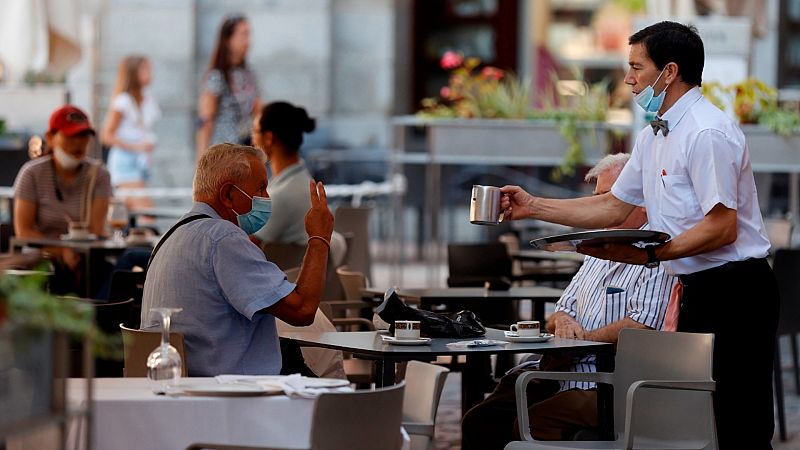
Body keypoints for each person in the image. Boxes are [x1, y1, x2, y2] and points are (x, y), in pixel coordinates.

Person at [500, 22, 777, 449]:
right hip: (694, 287)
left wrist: (652, 256)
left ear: (668, 72)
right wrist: (531, 206)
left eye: (635, 67)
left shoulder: (707, 132)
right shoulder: (653, 135)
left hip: (737, 289)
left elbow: (723, 226)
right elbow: (613, 206)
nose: (628, 78)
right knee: (692, 417)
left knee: (736, 418)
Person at [461, 154, 676, 449]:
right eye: (596, 199)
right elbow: (562, 309)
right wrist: (563, 322)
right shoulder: (597, 247)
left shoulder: (657, 253)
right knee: (481, 420)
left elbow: (643, 325)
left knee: (527, 423)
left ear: (640, 200)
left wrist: (580, 341)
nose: (596, 209)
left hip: (609, 381)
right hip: (560, 372)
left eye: (606, 200)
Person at [141, 143, 333, 376]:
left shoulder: (170, 237)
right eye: (261, 189)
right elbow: (302, 310)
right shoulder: (224, 239)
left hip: (184, 390)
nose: (266, 198)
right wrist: (319, 238)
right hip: (232, 395)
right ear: (229, 195)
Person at [13, 105, 112, 293]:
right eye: (71, 136)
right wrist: (60, 251)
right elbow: (23, 231)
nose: (78, 143)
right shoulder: (32, 173)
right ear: (51, 137)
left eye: (83, 136)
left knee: (118, 269)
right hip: (41, 258)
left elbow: (96, 229)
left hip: (85, 260)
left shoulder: (99, 175)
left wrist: (73, 252)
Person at [250, 101, 317, 247]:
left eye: (255, 131)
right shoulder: (305, 182)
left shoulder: (280, 196)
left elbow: (240, 249)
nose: (252, 139)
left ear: (269, 138)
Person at [101, 55, 161, 212]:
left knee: (133, 214)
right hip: (125, 163)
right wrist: (136, 146)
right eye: (145, 69)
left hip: (141, 163)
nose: (150, 72)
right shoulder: (123, 101)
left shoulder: (147, 97)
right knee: (145, 213)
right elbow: (106, 135)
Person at [196, 14, 261, 156]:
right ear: (228, 39)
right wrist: (200, 161)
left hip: (245, 150)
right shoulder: (217, 75)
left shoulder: (249, 74)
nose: (248, 41)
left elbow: (259, 110)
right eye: (243, 34)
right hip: (223, 153)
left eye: (248, 34)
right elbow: (205, 120)